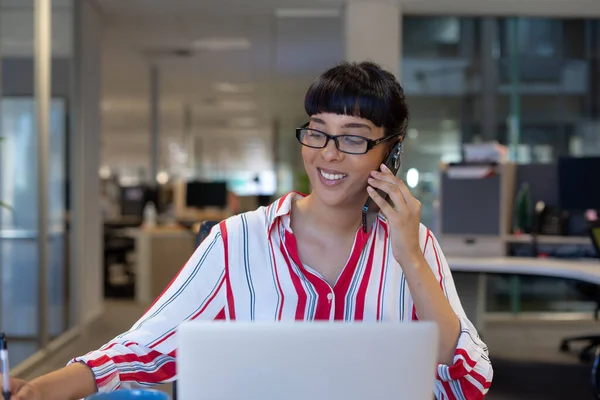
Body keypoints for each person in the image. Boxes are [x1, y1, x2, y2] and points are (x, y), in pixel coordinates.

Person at [1, 61, 493, 400]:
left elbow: (463, 376)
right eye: (317, 130)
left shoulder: (416, 247)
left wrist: (409, 254)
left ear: (391, 151)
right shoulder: (238, 240)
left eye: (353, 138)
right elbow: (146, 345)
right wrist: (44, 388)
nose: (328, 153)